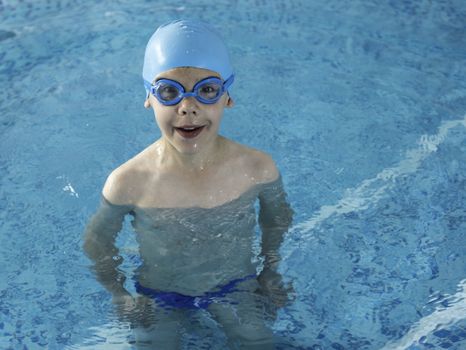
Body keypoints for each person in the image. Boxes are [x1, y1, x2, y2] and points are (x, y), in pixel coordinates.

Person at [83, 19, 293, 349]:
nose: (188, 107)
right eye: (169, 91)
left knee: (260, 342)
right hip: (160, 293)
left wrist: (270, 271)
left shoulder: (257, 168)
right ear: (148, 98)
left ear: (228, 97)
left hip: (235, 285)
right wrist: (119, 294)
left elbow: (277, 218)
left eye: (207, 89)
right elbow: (97, 241)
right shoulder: (128, 182)